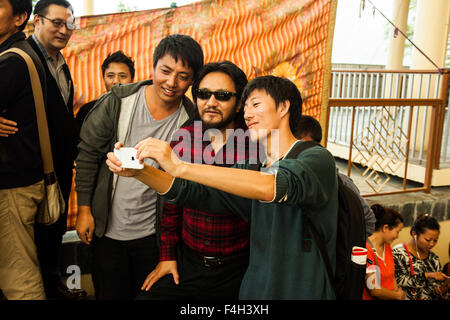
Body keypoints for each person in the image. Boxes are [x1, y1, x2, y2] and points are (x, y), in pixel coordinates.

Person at [107, 75, 339, 299]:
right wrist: (142, 172)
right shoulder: (252, 166)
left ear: (283, 107)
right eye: (246, 107)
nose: (248, 114)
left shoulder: (316, 158)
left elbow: (274, 186)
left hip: (300, 290)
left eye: (256, 104)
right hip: (256, 289)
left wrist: (180, 166)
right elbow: (197, 194)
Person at [75, 34, 204, 300]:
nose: (171, 82)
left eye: (183, 76)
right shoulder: (119, 102)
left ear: (192, 80)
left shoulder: (191, 121)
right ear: (153, 66)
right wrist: (84, 210)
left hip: (153, 236)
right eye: (165, 71)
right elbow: (87, 154)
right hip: (107, 228)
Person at [138, 61, 253, 300]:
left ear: (239, 103)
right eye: (203, 94)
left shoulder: (255, 144)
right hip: (189, 264)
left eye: (222, 95)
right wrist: (168, 256)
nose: (211, 102)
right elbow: (171, 206)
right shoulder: (183, 139)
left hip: (242, 268)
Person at [24, 0, 80, 299]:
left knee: (53, 229)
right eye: (56, 22)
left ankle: (52, 283)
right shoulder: (23, 57)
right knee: (29, 236)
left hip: (57, 165)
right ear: (36, 21)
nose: (63, 30)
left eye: (69, 24)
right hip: (30, 169)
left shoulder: (60, 61)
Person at [0, 0, 47, 300]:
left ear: (20, 17)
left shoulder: (11, 61)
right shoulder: (22, 54)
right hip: (20, 181)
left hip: (12, 187)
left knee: (18, 276)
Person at [295, 115, 376, 237]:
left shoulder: (341, 182)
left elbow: (368, 221)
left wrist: (338, 245)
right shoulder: (286, 181)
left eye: (302, 146)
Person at [75, 50, 135, 134]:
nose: (116, 81)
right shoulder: (87, 111)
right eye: (110, 76)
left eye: (122, 76)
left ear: (132, 80)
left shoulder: (140, 110)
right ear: (103, 79)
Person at [393, 214, 449, 300]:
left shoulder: (434, 259)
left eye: (435, 240)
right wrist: (428, 275)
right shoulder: (398, 254)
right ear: (414, 234)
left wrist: (439, 290)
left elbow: (433, 290)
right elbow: (398, 280)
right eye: (428, 240)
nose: (432, 244)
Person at [362, 204, 405, 300]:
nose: (397, 236)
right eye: (397, 231)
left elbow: (391, 276)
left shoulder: (387, 246)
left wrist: (396, 291)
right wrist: (397, 296)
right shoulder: (368, 251)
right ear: (385, 228)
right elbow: (374, 289)